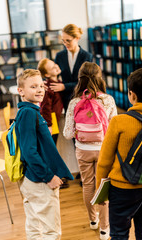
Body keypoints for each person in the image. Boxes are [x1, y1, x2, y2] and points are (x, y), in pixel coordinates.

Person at [15, 69, 74, 240]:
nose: (40, 90)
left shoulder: (31, 111)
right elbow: (29, 152)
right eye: (33, 86)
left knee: (35, 225)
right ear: (21, 91)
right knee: (51, 232)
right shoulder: (28, 113)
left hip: (33, 179)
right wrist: (49, 177)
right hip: (40, 181)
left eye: (41, 85)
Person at [63, 62, 117, 240]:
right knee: (103, 187)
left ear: (79, 80)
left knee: (87, 185)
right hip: (103, 150)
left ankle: (92, 220)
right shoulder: (108, 100)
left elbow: (67, 133)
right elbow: (114, 129)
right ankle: (104, 229)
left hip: (83, 150)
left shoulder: (74, 102)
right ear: (99, 78)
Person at [96, 68, 142, 240]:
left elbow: (104, 162)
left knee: (119, 234)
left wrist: (100, 192)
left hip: (122, 190)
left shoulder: (119, 121)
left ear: (131, 94)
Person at [51, 23, 93, 113]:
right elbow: (53, 73)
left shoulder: (87, 57)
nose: (65, 44)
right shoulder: (59, 56)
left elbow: (87, 82)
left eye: (68, 40)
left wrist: (65, 86)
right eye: (63, 41)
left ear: (77, 38)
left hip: (83, 98)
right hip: (66, 100)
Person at [37, 58, 63, 144]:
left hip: (56, 118)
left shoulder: (59, 82)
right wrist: (49, 125)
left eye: (55, 64)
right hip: (52, 120)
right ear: (47, 74)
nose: (56, 66)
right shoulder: (47, 88)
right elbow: (45, 107)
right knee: (52, 143)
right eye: (52, 68)